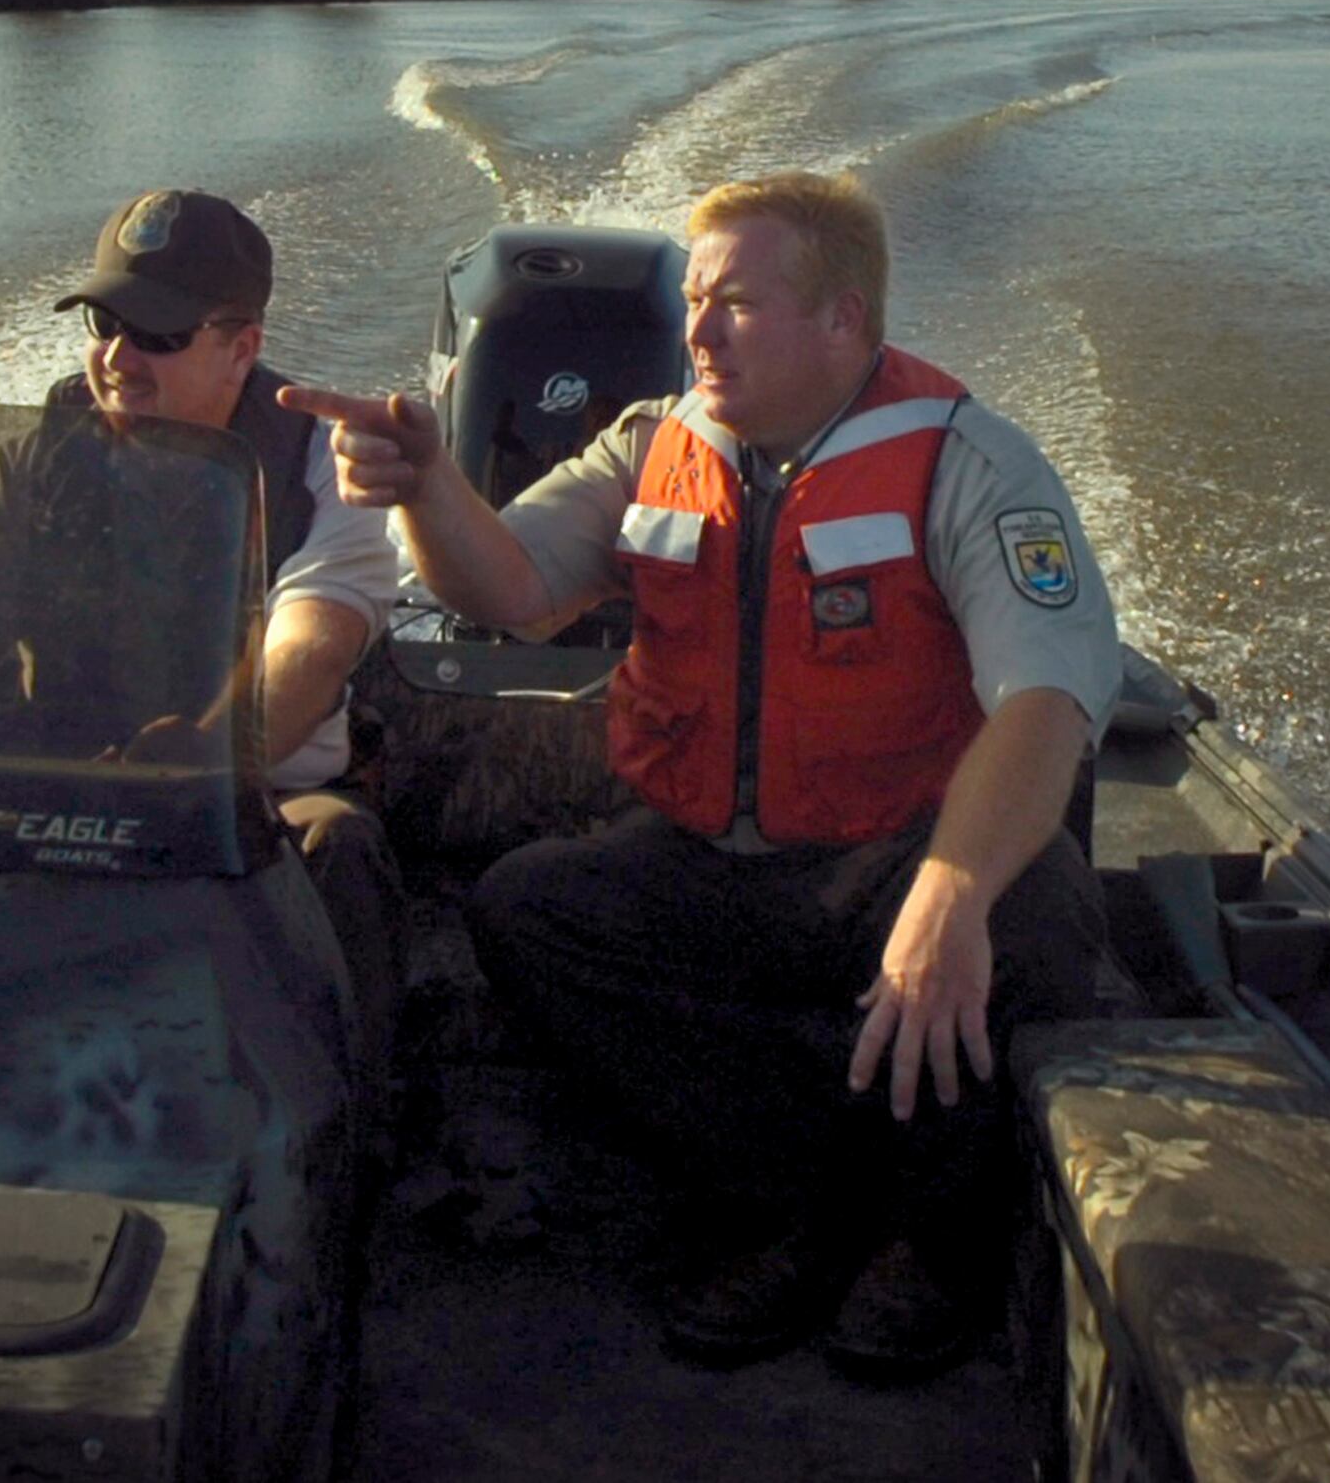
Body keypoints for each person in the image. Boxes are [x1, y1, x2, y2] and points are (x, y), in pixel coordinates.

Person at [282, 170, 1118, 1380]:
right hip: (704, 859)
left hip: (889, 855)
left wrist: (949, 892)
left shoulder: (971, 464)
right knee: (530, 909)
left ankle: (935, 1242)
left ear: (842, 318)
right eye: (695, 300)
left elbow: (1047, 701)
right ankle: (794, 1202)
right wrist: (425, 491)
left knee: (1037, 916)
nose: (698, 329)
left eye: (735, 302)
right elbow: (509, 585)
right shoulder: (654, 441)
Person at [0, 191, 409, 1091]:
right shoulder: (36, 460)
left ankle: (352, 1107)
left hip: (252, 806)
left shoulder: (323, 465)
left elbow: (309, 648)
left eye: (155, 334)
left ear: (243, 345)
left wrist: (204, 757)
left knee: (338, 850)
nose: (117, 357)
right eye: (104, 322)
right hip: (58, 797)